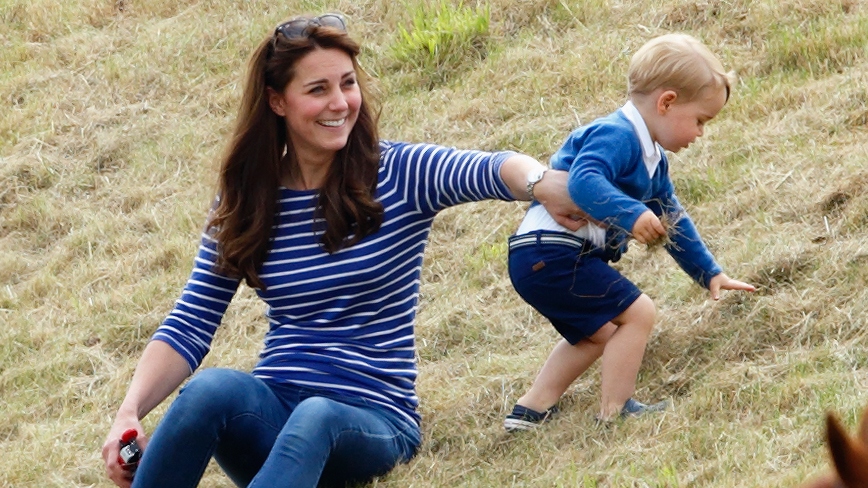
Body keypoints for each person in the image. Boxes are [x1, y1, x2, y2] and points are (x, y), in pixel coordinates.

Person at [100, 12, 587, 488]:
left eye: (347, 84)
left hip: (371, 419)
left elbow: (493, 167)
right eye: (318, 90)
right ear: (277, 102)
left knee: (317, 416)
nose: (340, 103)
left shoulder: (398, 173)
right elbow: (192, 318)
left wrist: (541, 183)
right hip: (275, 413)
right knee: (210, 390)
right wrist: (129, 411)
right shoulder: (248, 197)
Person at [502, 33, 757, 431]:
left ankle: (531, 408)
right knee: (638, 314)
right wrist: (632, 214)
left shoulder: (652, 163)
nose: (701, 133)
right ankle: (615, 411)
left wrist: (710, 273)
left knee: (599, 332)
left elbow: (675, 220)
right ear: (667, 102)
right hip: (551, 252)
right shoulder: (616, 135)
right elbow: (583, 182)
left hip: (542, 258)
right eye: (700, 121)